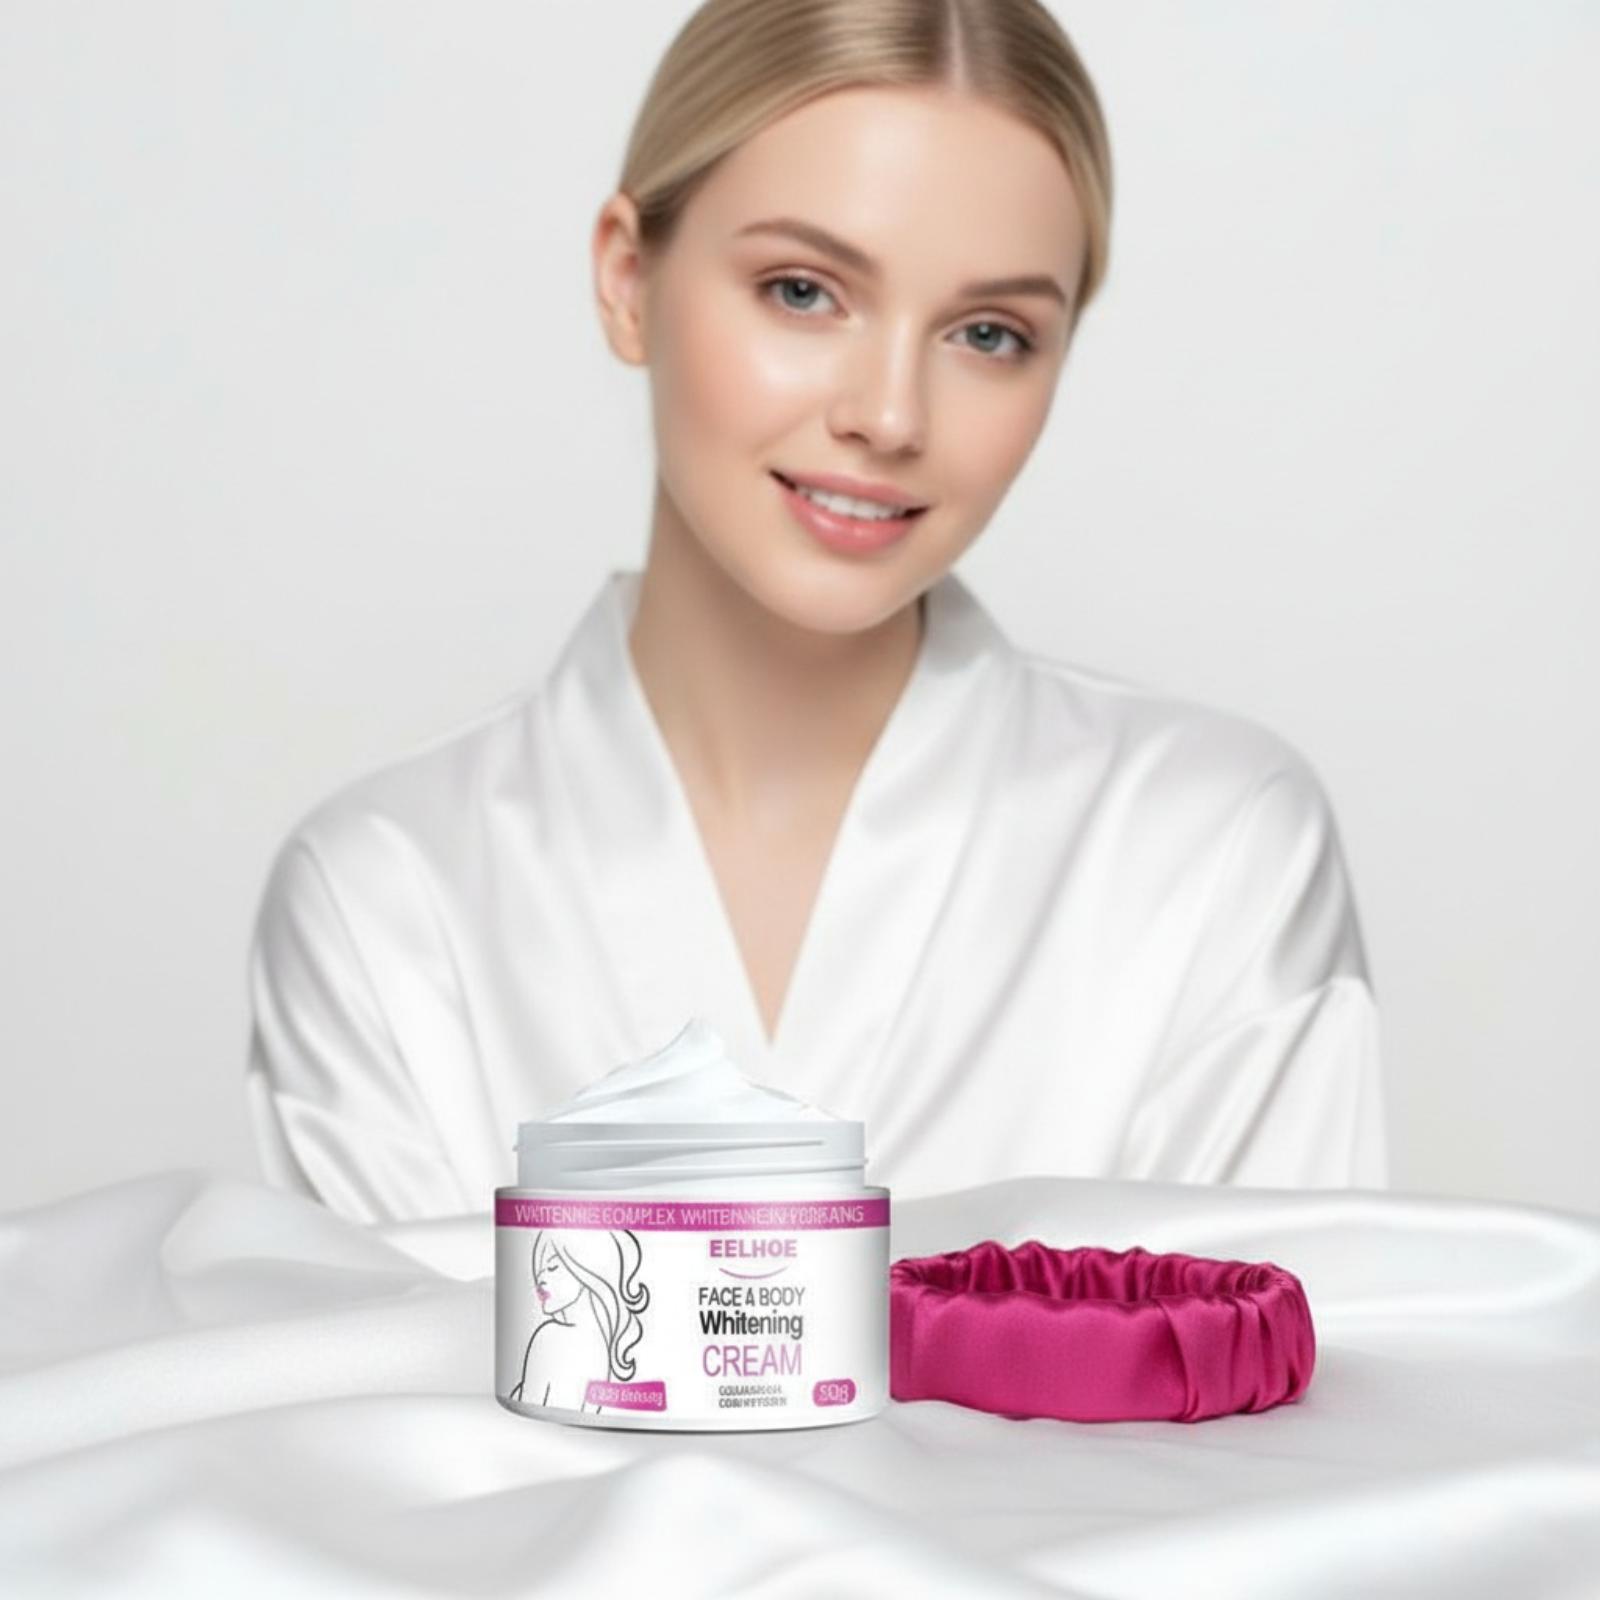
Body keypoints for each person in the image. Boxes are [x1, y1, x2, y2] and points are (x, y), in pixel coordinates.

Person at [244, 0, 1389, 1225]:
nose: (889, 415)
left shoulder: (1213, 854)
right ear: (628, 280)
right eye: (802, 291)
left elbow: (1293, 1349)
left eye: (989, 333)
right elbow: (376, 1362)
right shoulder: (385, 896)